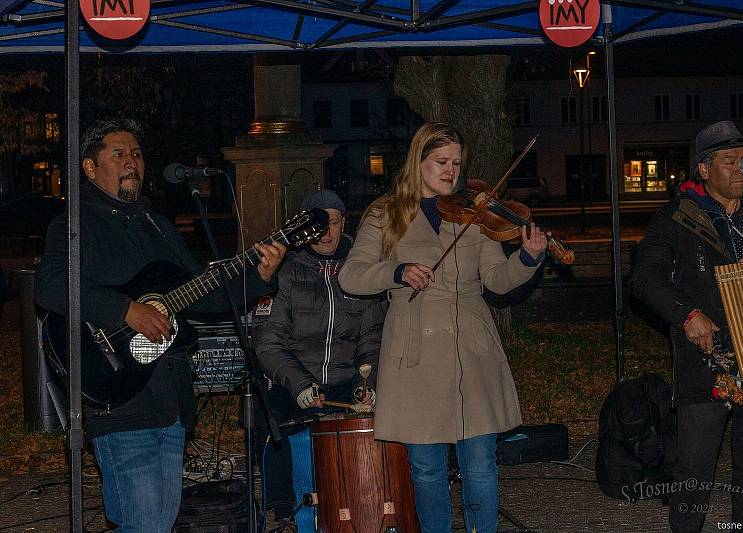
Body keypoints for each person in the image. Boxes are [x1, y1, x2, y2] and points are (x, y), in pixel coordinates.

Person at [35, 118, 286, 532]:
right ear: (89, 168)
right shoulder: (75, 224)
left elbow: (202, 295)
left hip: (169, 400)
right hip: (120, 396)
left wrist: (259, 276)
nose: (132, 162)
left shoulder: (157, 226)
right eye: (118, 154)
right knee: (147, 524)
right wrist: (125, 310)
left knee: (155, 524)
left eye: (136, 153)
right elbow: (50, 285)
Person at [337, 123, 547, 533]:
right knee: (426, 466)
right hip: (414, 348)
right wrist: (396, 271)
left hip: (471, 345)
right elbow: (352, 275)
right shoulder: (386, 212)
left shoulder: (474, 212)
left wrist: (528, 258)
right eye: (441, 162)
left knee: (481, 462)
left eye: (456, 163)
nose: (451, 171)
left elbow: (497, 279)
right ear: (419, 161)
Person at [629, 120, 743, 532]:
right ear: (704, 169)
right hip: (708, 362)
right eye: (730, 161)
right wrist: (686, 314)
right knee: (694, 471)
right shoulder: (676, 218)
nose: (742, 169)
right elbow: (644, 277)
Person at [252, 189, 385, 529]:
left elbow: (372, 338)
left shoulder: (361, 269)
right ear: (303, 228)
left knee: (375, 419)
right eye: (318, 225)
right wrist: (299, 384)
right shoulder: (284, 270)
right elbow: (268, 342)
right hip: (295, 380)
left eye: (334, 223)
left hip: (344, 383)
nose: (326, 233)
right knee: (280, 421)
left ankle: (364, 508)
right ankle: (289, 511)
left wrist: (365, 384)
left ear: (344, 223)